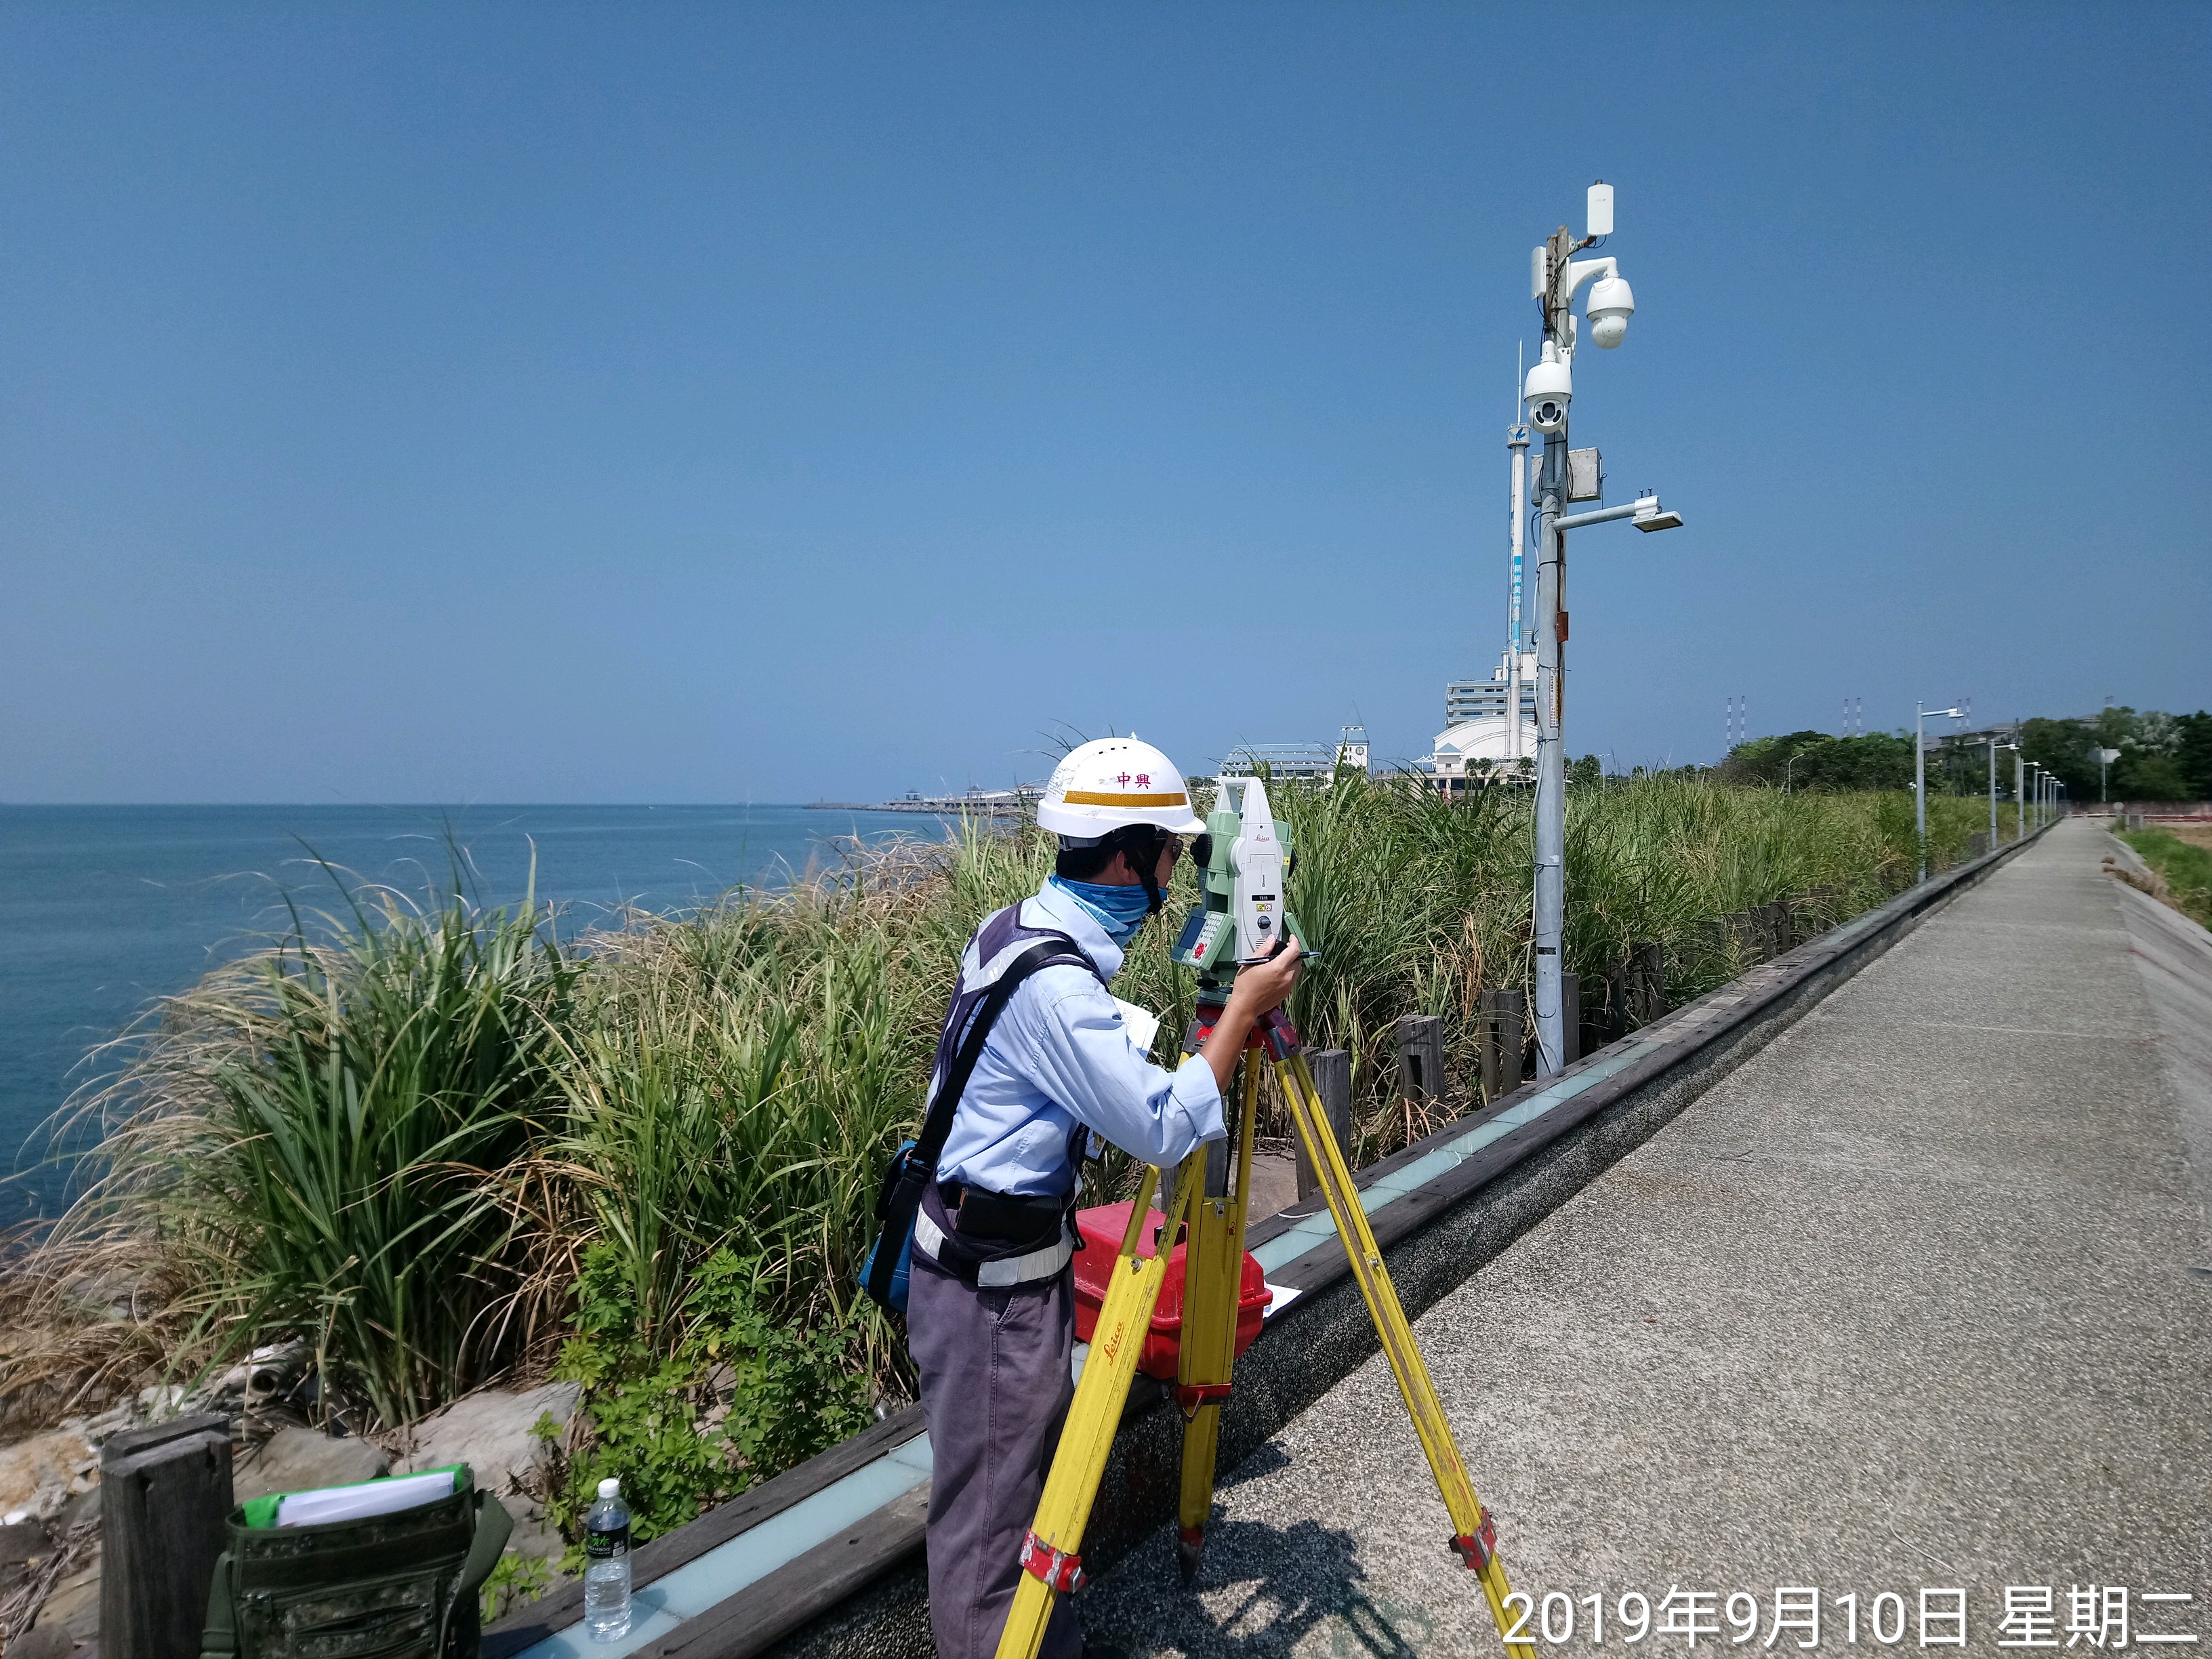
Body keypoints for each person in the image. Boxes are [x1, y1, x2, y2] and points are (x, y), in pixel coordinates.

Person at [906, 737, 1303, 1659]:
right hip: (990, 1289)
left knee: (1016, 1492)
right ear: (1128, 856)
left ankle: (1047, 1638)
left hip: (984, 1261)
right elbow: (1164, 1128)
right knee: (990, 1537)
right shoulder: (1054, 987)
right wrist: (1241, 1014)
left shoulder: (1015, 928)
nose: (1180, 874)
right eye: (1174, 853)